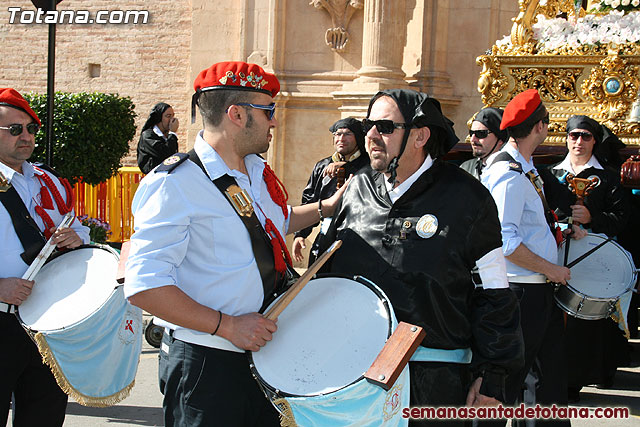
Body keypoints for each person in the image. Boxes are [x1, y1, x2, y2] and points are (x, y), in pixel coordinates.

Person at [124, 61, 348, 427]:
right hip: (209, 364)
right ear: (237, 114)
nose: (274, 121)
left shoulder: (255, 171)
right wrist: (226, 325)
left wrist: (326, 208)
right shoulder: (174, 182)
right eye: (268, 111)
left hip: (265, 355)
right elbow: (145, 286)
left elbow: (271, 226)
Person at [317, 89, 524, 424]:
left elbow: (495, 293)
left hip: (433, 382)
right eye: (368, 125)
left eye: (384, 127)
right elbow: (325, 273)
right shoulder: (357, 189)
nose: (370, 135)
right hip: (354, 375)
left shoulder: (467, 198)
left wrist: (494, 375)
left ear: (420, 135)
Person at [482, 89, 582, 425]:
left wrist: (560, 231)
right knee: (507, 385)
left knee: (547, 382)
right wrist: (551, 269)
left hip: (536, 289)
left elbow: (526, 227)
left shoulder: (524, 168)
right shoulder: (508, 175)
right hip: (521, 292)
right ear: (540, 127)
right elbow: (504, 241)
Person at [0, 88, 89, 427]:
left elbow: (80, 229)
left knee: (45, 415)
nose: (26, 137)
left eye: (31, 129)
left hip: (49, 321)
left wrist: (74, 237)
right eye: (15, 130)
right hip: (1, 318)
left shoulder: (48, 180)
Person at [539, 115, 630, 401]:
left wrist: (594, 218)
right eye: (574, 135)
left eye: (586, 136)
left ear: (595, 140)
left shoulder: (609, 178)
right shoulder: (548, 175)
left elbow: (623, 219)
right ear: (565, 138)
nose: (579, 142)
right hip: (554, 257)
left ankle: (577, 379)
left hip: (593, 260)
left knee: (584, 325)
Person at [292, 117, 369, 265]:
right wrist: (300, 234)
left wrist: (346, 167)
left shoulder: (369, 164)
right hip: (326, 233)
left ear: (358, 138)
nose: (341, 138)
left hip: (358, 235)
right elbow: (310, 200)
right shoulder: (322, 165)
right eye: (337, 134)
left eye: (347, 134)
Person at [136, 102, 179, 174]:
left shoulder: (167, 136)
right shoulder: (148, 136)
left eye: (173, 116)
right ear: (159, 118)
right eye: (168, 116)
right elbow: (168, 156)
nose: (172, 120)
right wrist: (172, 133)